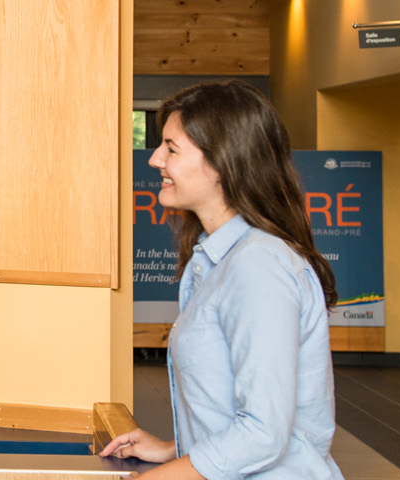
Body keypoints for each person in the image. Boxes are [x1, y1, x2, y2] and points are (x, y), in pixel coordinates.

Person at [98, 79, 342, 479]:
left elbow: (264, 432)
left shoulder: (259, 266)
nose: (155, 159)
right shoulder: (221, 259)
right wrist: (173, 450)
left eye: (171, 149)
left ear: (222, 162)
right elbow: (232, 407)